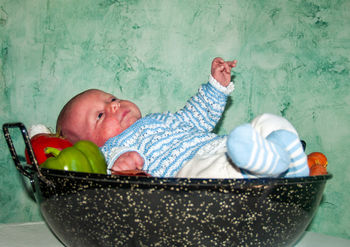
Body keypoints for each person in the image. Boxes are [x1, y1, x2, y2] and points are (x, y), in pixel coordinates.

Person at [56, 58, 309, 178]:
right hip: (189, 174)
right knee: (214, 173)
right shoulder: (110, 150)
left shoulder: (160, 120)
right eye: (100, 115)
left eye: (111, 99)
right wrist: (120, 165)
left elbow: (196, 115)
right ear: (90, 145)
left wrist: (216, 87)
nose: (114, 106)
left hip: (221, 147)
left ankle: (286, 161)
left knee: (267, 123)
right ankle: (270, 167)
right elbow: (115, 173)